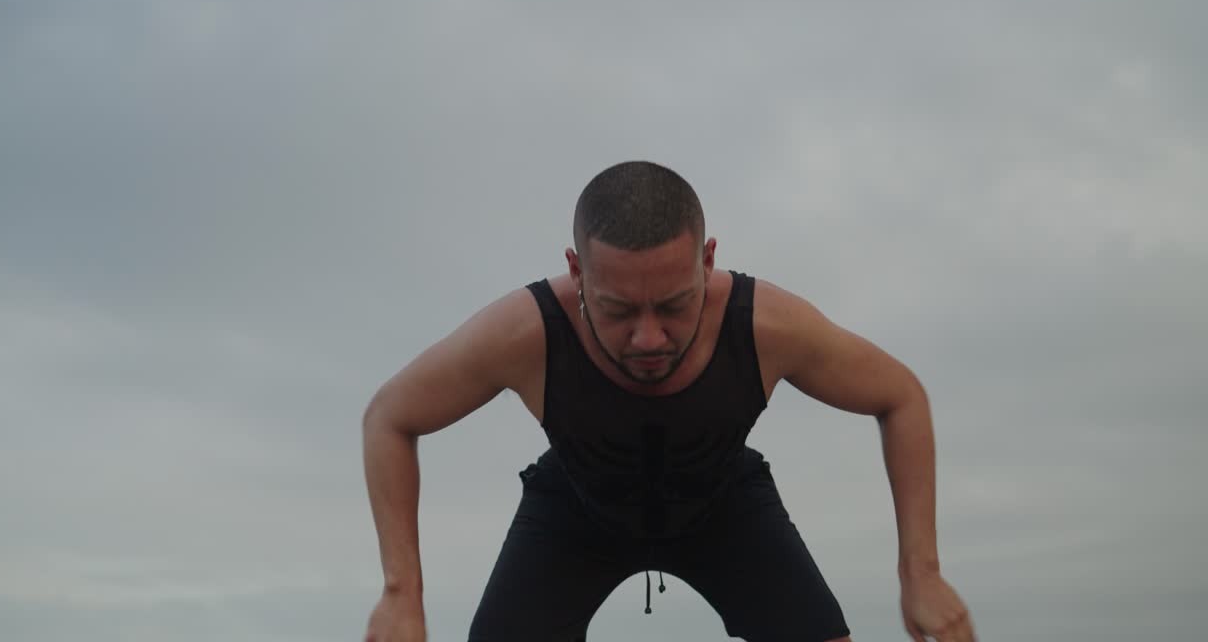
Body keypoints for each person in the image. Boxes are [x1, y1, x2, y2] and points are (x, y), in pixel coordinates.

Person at [363, 161, 976, 641]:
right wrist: (401, 593)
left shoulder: (767, 326)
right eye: (619, 310)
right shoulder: (525, 334)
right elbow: (391, 416)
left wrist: (921, 571)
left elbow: (900, 396)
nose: (649, 337)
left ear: (707, 262)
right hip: (574, 513)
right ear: (578, 273)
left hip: (725, 507)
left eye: (676, 304)